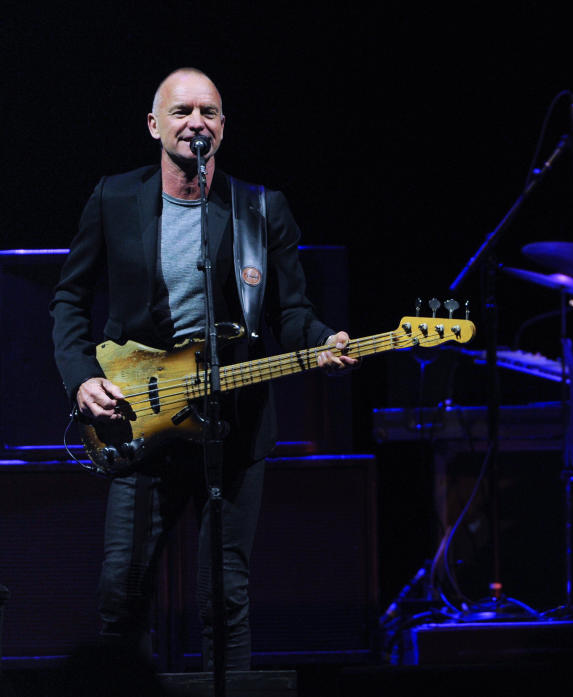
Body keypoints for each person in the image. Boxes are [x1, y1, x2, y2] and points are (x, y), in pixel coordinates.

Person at [50, 67, 357, 670]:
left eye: (210, 112)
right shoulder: (113, 197)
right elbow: (69, 298)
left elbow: (291, 312)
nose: (197, 123)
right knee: (123, 592)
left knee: (225, 598)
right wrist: (83, 377)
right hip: (139, 422)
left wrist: (323, 342)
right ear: (154, 125)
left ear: (223, 127)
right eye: (183, 111)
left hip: (233, 431)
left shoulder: (261, 210)